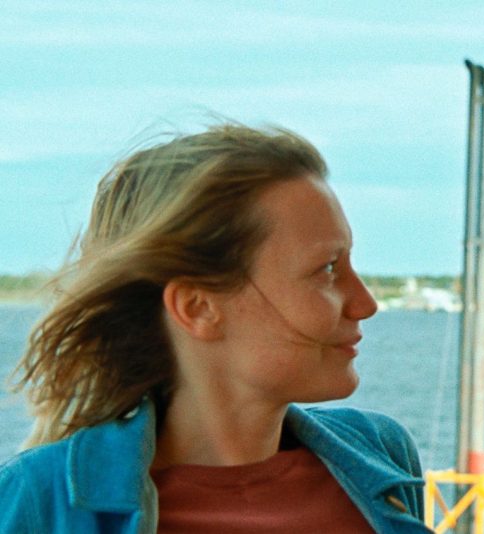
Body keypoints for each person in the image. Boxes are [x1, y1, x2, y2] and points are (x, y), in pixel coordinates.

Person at [0, 124, 432, 533]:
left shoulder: (379, 454)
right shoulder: (39, 502)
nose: (366, 304)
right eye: (328, 268)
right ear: (198, 308)